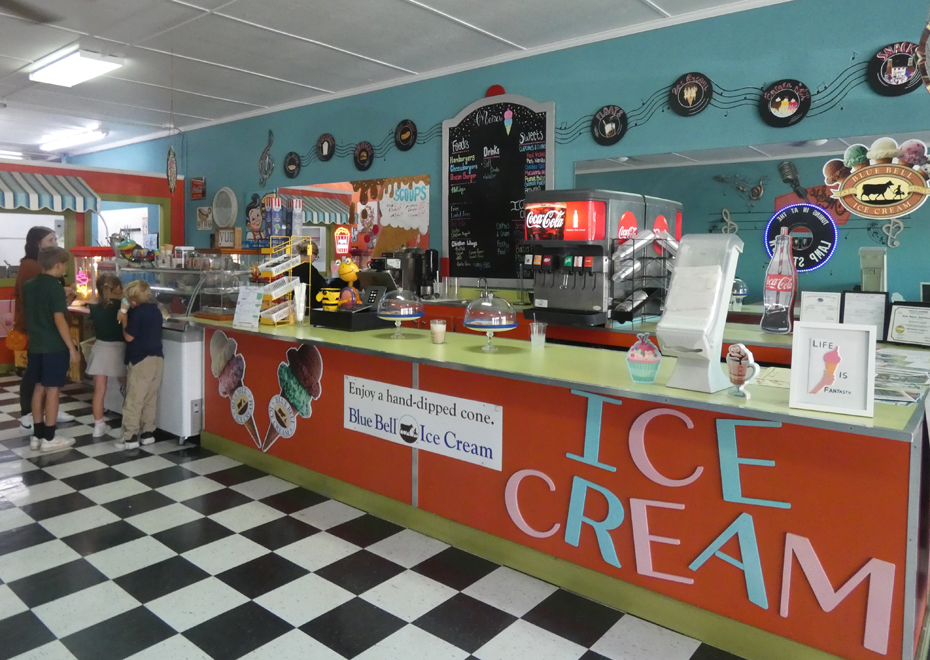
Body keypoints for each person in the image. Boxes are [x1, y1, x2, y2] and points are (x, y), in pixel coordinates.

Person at [13, 227, 75, 436]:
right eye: (50, 240)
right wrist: (72, 348)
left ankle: (40, 427)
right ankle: (44, 431)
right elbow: (57, 317)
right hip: (51, 342)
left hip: (38, 339)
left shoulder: (34, 283)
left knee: (40, 383)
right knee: (47, 385)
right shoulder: (32, 268)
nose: (55, 243)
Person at [22, 247, 79, 453]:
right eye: (64, 264)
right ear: (58, 264)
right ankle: (50, 436)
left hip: (36, 345)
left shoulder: (29, 285)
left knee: (38, 387)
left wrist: (65, 299)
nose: (65, 268)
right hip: (54, 346)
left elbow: (42, 310)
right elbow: (59, 319)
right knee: (53, 390)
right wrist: (72, 348)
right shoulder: (55, 286)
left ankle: (37, 436)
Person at [117, 280, 163, 449]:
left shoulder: (137, 313)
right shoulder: (156, 310)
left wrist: (123, 320)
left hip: (140, 360)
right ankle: (147, 433)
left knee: (134, 399)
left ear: (133, 301)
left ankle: (130, 436)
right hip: (157, 358)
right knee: (150, 397)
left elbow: (129, 337)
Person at [86, 273, 126, 438]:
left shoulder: (94, 308)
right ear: (117, 288)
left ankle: (98, 425)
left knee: (99, 390)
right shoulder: (123, 307)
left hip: (101, 348)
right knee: (127, 386)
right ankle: (129, 420)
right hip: (119, 349)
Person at [292, 241, 326, 312]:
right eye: (316, 256)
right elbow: (322, 285)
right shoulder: (310, 270)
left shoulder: (292, 268)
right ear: (312, 254)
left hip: (295, 307)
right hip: (311, 309)